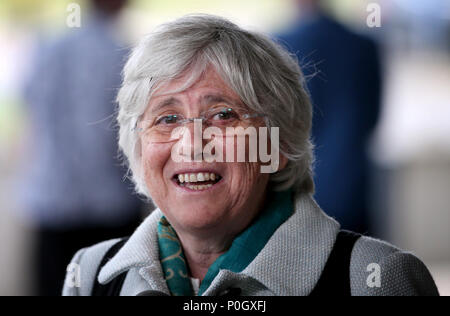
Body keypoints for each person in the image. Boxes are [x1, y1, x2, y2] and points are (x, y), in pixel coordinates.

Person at [63, 14, 438, 296]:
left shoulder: (374, 279)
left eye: (224, 115)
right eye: (167, 117)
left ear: (277, 143)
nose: (192, 143)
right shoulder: (91, 274)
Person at [20, 0, 143, 296]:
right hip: (110, 205)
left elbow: (32, 110)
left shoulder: (48, 47)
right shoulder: (121, 54)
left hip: (53, 203)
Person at [277, 0, 382, 234]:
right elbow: (374, 119)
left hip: (297, 190)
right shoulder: (364, 45)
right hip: (353, 184)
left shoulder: (277, 45)